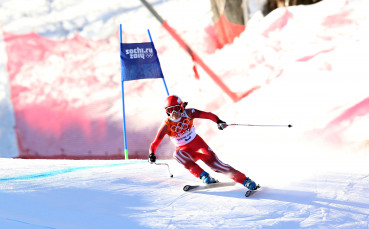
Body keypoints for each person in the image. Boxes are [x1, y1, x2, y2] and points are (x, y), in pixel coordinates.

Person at [148, 95, 257, 190]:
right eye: (170, 110)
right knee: (177, 155)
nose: (174, 113)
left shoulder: (189, 113)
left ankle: (245, 180)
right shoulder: (167, 125)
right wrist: (152, 154)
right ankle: (204, 176)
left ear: (181, 107)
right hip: (184, 150)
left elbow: (208, 115)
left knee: (216, 165)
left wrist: (219, 121)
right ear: (166, 111)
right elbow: (155, 142)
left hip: (198, 145)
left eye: (176, 109)